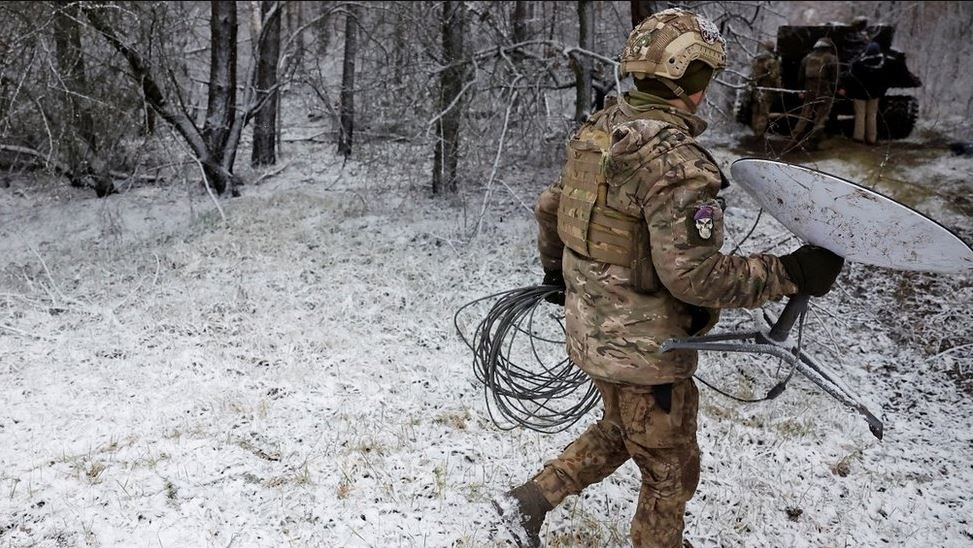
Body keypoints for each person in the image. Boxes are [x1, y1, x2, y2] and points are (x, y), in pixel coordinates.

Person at [495, 8, 844, 548]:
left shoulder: (600, 130)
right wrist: (790, 273)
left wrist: (555, 275)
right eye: (705, 77)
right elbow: (695, 279)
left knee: (622, 429)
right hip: (645, 350)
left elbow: (550, 208)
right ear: (690, 79)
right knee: (671, 469)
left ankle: (529, 502)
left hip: (593, 331)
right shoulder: (674, 162)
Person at [791, 37, 839, 146]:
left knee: (804, 115)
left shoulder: (806, 58)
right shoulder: (832, 59)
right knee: (821, 118)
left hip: (809, 91)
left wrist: (801, 91)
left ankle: (795, 138)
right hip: (825, 92)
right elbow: (835, 78)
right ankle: (814, 140)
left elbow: (800, 77)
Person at [842, 41, 888, 144]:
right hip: (874, 95)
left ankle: (858, 137)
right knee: (872, 115)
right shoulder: (883, 65)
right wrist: (880, 92)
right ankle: (872, 138)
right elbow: (884, 81)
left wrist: (848, 91)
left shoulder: (858, 64)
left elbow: (851, 79)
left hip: (859, 94)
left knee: (860, 115)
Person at [750, 40, 782, 135]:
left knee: (755, 112)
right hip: (767, 90)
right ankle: (759, 134)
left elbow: (752, 75)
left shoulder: (756, 60)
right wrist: (778, 89)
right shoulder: (771, 61)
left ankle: (754, 132)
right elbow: (774, 76)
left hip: (756, 90)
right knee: (763, 113)